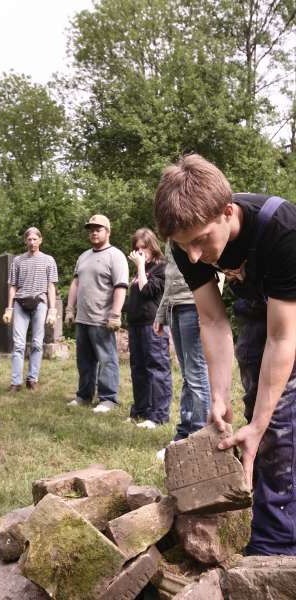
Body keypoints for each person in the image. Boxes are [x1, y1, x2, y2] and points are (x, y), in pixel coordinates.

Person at [154, 153, 296, 557]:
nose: (195, 256)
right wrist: (218, 396)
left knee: (278, 419)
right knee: (261, 409)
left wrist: (260, 425)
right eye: (185, 246)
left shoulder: (283, 230)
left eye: (201, 240)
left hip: (290, 305)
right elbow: (214, 321)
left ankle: (277, 544)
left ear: (228, 212)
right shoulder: (187, 240)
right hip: (258, 303)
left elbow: (283, 339)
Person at [65, 214, 129, 413]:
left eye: (98, 229)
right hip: (82, 318)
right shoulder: (83, 256)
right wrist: (69, 309)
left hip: (103, 319)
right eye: (91, 229)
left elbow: (120, 286)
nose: (93, 232)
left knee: (106, 359)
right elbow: (76, 283)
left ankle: (108, 399)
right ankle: (83, 396)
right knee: (84, 361)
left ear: (107, 232)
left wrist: (115, 314)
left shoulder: (116, 255)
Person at [153, 243, 211, 454]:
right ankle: (184, 434)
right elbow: (170, 277)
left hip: (194, 304)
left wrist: (207, 308)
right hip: (174, 306)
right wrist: (161, 312)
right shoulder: (171, 237)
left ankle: (200, 437)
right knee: (188, 374)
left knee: (196, 373)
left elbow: (215, 268)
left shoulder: (197, 225)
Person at [126, 228, 172, 429]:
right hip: (136, 324)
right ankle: (140, 411)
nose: (139, 252)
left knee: (157, 369)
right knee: (138, 369)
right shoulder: (140, 269)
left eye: (143, 247)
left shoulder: (161, 268)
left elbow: (147, 290)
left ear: (152, 247)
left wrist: (141, 268)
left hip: (154, 325)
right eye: (136, 248)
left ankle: (158, 415)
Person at [3, 227, 58, 392]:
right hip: (20, 303)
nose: (32, 242)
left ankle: (32, 379)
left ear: (40, 240)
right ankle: (16, 382)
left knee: (36, 343)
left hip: (40, 303)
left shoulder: (49, 260)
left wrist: (52, 310)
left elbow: (51, 286)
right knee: (18, 344)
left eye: (35, 239)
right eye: (29, 239)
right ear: (25, 241)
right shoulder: (18, 261)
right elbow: (13, 286)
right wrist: (9, 308)